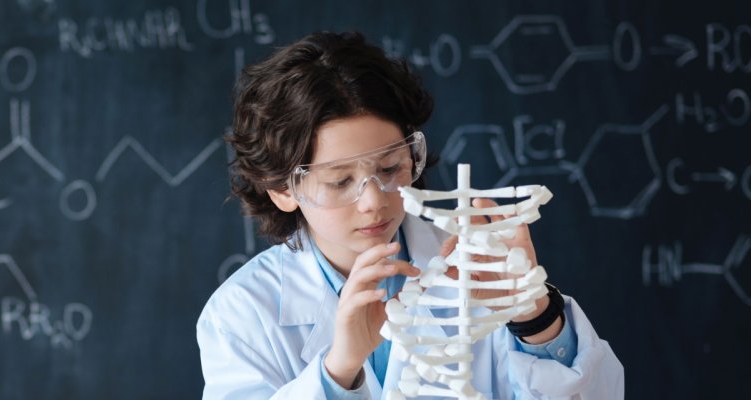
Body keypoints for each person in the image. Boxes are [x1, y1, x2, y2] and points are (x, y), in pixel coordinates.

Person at [196, 31, 623, 399]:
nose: (373, 201)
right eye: (340, 181)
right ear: (281, 190)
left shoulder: (475, 258)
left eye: (388, 168)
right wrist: (338, 369)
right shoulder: (242, 314)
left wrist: (537, 318)